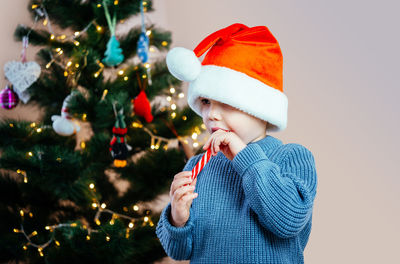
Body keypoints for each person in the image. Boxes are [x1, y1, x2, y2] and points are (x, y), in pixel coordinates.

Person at [156, 23, 318, 264]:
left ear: (260, 110)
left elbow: (288, 220)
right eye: (207, 101)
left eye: (227, 103)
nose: (211, 114)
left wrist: (246, 159)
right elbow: (179, 252)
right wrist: (177, 219)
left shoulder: (292, 157)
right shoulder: (197, 166)